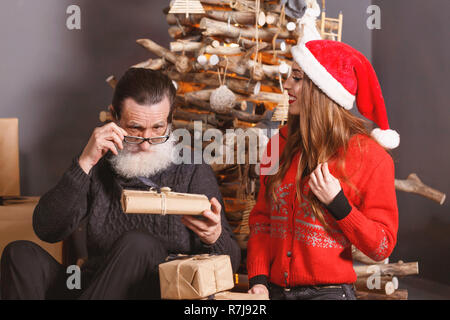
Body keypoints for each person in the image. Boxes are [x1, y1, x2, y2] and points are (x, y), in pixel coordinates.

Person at [0, 68, 241, 300]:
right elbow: (47, 229)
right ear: (114, 116)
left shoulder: (192, 169)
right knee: (20, 253)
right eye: (135, 129)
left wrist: (214, 237)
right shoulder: (98, 165)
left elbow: (232, 262)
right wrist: (84, 162)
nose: (146, 143)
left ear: (170, 119)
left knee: (140, 244)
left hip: (153, 291)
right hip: (93, 286)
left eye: (158, 128)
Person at [247, 39, 400, 300]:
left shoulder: (372, 158)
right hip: (272, 292)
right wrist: (259, 280)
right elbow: (262, 220)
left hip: (328, 294)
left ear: (322, 90)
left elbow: (381, 246)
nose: (286, 85)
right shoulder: (276, 145)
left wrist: (339, 205)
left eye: (297, 78)